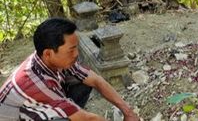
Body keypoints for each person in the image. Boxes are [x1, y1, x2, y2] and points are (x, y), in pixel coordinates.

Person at [0, 17, 140, 121]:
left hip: (35, 109)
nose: (76, 54)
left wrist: (128, 112)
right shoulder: (35, 81)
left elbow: (96, 80)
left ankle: (69, 111)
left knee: (82, 82)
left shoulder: (50, 59)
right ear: (48, 53)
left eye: (76, 48)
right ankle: (69, 113)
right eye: (71, 50)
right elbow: (89, 119)